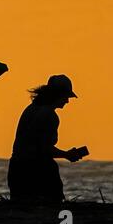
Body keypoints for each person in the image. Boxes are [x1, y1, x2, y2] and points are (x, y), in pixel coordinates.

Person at [7, 74, 84, 203]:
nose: (67, 101)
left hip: (17, 169)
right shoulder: (49, 115)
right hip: (37, 171)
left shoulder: (30, 109)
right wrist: (67, 155)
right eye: (66, 96)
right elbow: (44, 149)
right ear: (57, 95)